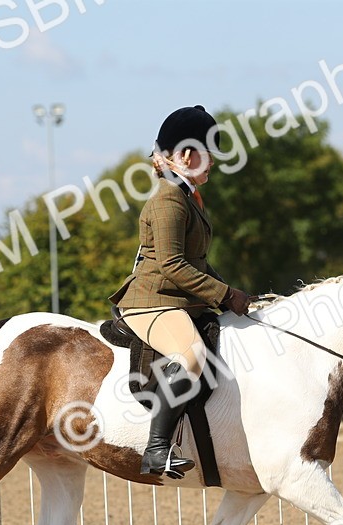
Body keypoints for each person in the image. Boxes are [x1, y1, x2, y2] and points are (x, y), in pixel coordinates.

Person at [108, 105, 252, 479]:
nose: (213, 163)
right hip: (153, 302)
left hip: (177, 300)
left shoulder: (186, 197)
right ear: (187, 155)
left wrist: (231, 293)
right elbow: (172, 265)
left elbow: (197, 263)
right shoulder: (168, 200)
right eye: (208, 155)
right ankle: (157, 450)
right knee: (191, 355)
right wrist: (225, 295)